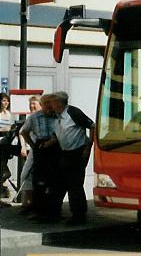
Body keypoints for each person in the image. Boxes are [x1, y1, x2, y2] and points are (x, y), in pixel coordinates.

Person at [48, 91, 94, 225]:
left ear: (59, 102)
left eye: (52, 101)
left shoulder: (73, 112)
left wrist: (88, 146)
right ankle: (55, 212)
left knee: (75, 184)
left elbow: (92, 126)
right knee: (60, 181)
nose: (51, 104)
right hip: (66, 152)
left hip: (78, 152)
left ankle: (79, 216)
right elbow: (59, 134)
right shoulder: (57, 116)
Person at [19, 94, 60, 219]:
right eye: (46, 103)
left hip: (55, 147)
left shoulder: (58, 116)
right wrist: (33, 146)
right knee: (39, 180)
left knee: (54, 180)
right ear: (42, 105)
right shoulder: (34, 117)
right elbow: (23, 132)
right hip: (41, 146)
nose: (49, 105)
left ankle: (53, 211)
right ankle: (38, 210)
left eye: (50, 102)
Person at [15, 96, 41, 213]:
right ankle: (27, 202)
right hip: (34, 150)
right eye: (30, 104)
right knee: (25, 175)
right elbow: (22, 132)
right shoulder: (31, 118)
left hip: (43, 150)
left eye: (34, 104)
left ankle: (31, 203)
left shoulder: (44, 117)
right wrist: (24, 146)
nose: (32, 106)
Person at [0, 92, 14, 191]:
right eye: (4, 100)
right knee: (4, 169)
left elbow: (10, 127)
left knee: (4, 164)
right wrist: (4, 129)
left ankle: (3, 186)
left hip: (5, 142)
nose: (6, 103)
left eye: (7, 101)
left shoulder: (8, 114)